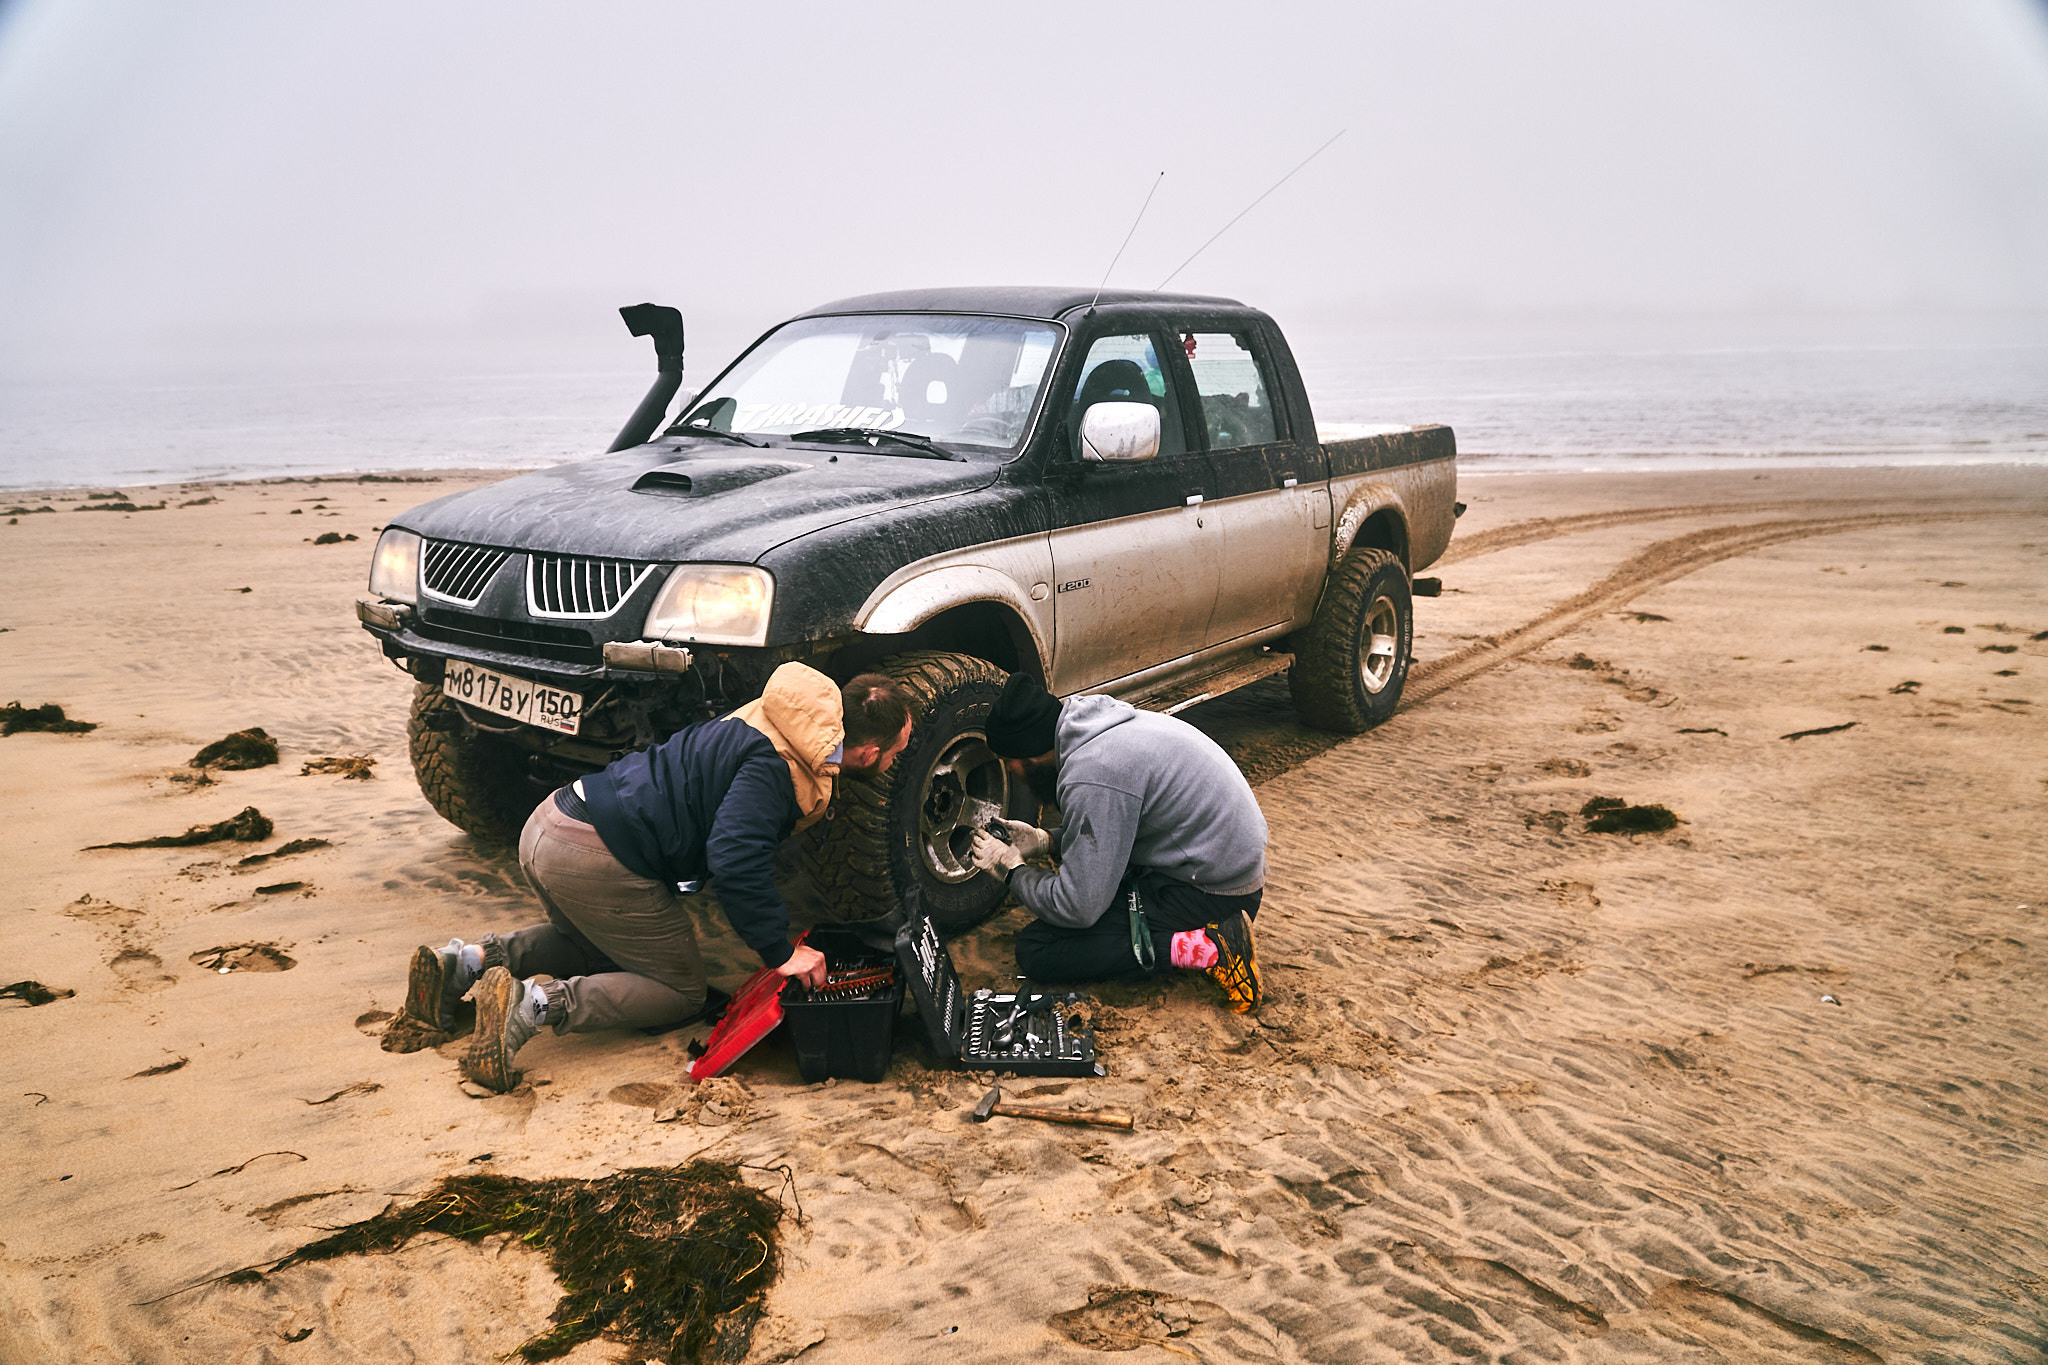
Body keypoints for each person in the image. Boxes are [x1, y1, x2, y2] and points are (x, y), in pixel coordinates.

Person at [386, 663, 913, 1092]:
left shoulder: (773, 717)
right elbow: (733, 857)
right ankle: (531, 1007)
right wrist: (780, 951)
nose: (895, 760)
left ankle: (464, 962)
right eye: (897, 751)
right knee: (678, 991)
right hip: (597, 854)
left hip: (552, 821)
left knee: (600, 947)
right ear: (869, 752)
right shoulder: (776, 767)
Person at [965, 672, 1268, 1012]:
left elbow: (1077, 907)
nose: (1010, 773)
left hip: (1212, 895)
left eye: (1008, 764)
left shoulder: (1094, 773)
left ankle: (1208, 948)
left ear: (1025, 758)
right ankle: (1199, 939)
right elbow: (1116, 828)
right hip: (1214, 868)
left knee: (1039, 948)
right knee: (1079, 904)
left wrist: (1011, 871)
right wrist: (1044, 840)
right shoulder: (1098, 728)